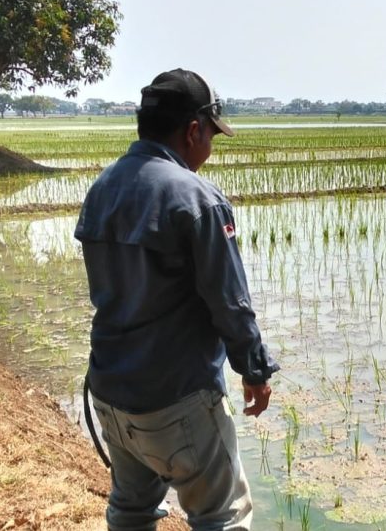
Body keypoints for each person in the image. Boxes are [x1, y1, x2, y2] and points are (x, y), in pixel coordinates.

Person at [74, 68, 280, 531]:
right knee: (223, 517)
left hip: (110, 392)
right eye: (212, 134)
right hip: (176, 399)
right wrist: (254, 369)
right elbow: (230, 302)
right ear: (193, 131)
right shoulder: (197, 198)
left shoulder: (102, 188)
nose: (210, 146)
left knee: (131, 509)